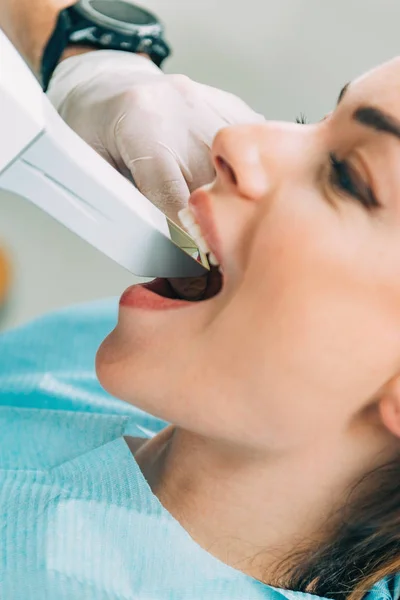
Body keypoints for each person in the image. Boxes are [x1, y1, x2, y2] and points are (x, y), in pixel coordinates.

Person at [1, 2, 400, 600]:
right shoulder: (178, 347)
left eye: (346, 175)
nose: (235, 138)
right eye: (313, 119)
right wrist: (94, 56)